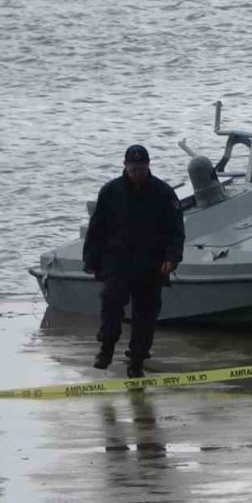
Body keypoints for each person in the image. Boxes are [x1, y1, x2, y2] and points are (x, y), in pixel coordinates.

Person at [82, 144, 185, 378]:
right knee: (111, 305)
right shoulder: (110, 192)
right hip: (117, 261)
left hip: (151, 264)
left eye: (141, 169)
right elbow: (96, 229)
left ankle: (136, 361)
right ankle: (106, 349)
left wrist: (172, 258)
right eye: (133, 169)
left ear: (148, 167)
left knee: (145, 316)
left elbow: (176, 231)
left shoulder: (163, 193)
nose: (137, 174)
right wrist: (90, 258)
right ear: (125, 167)